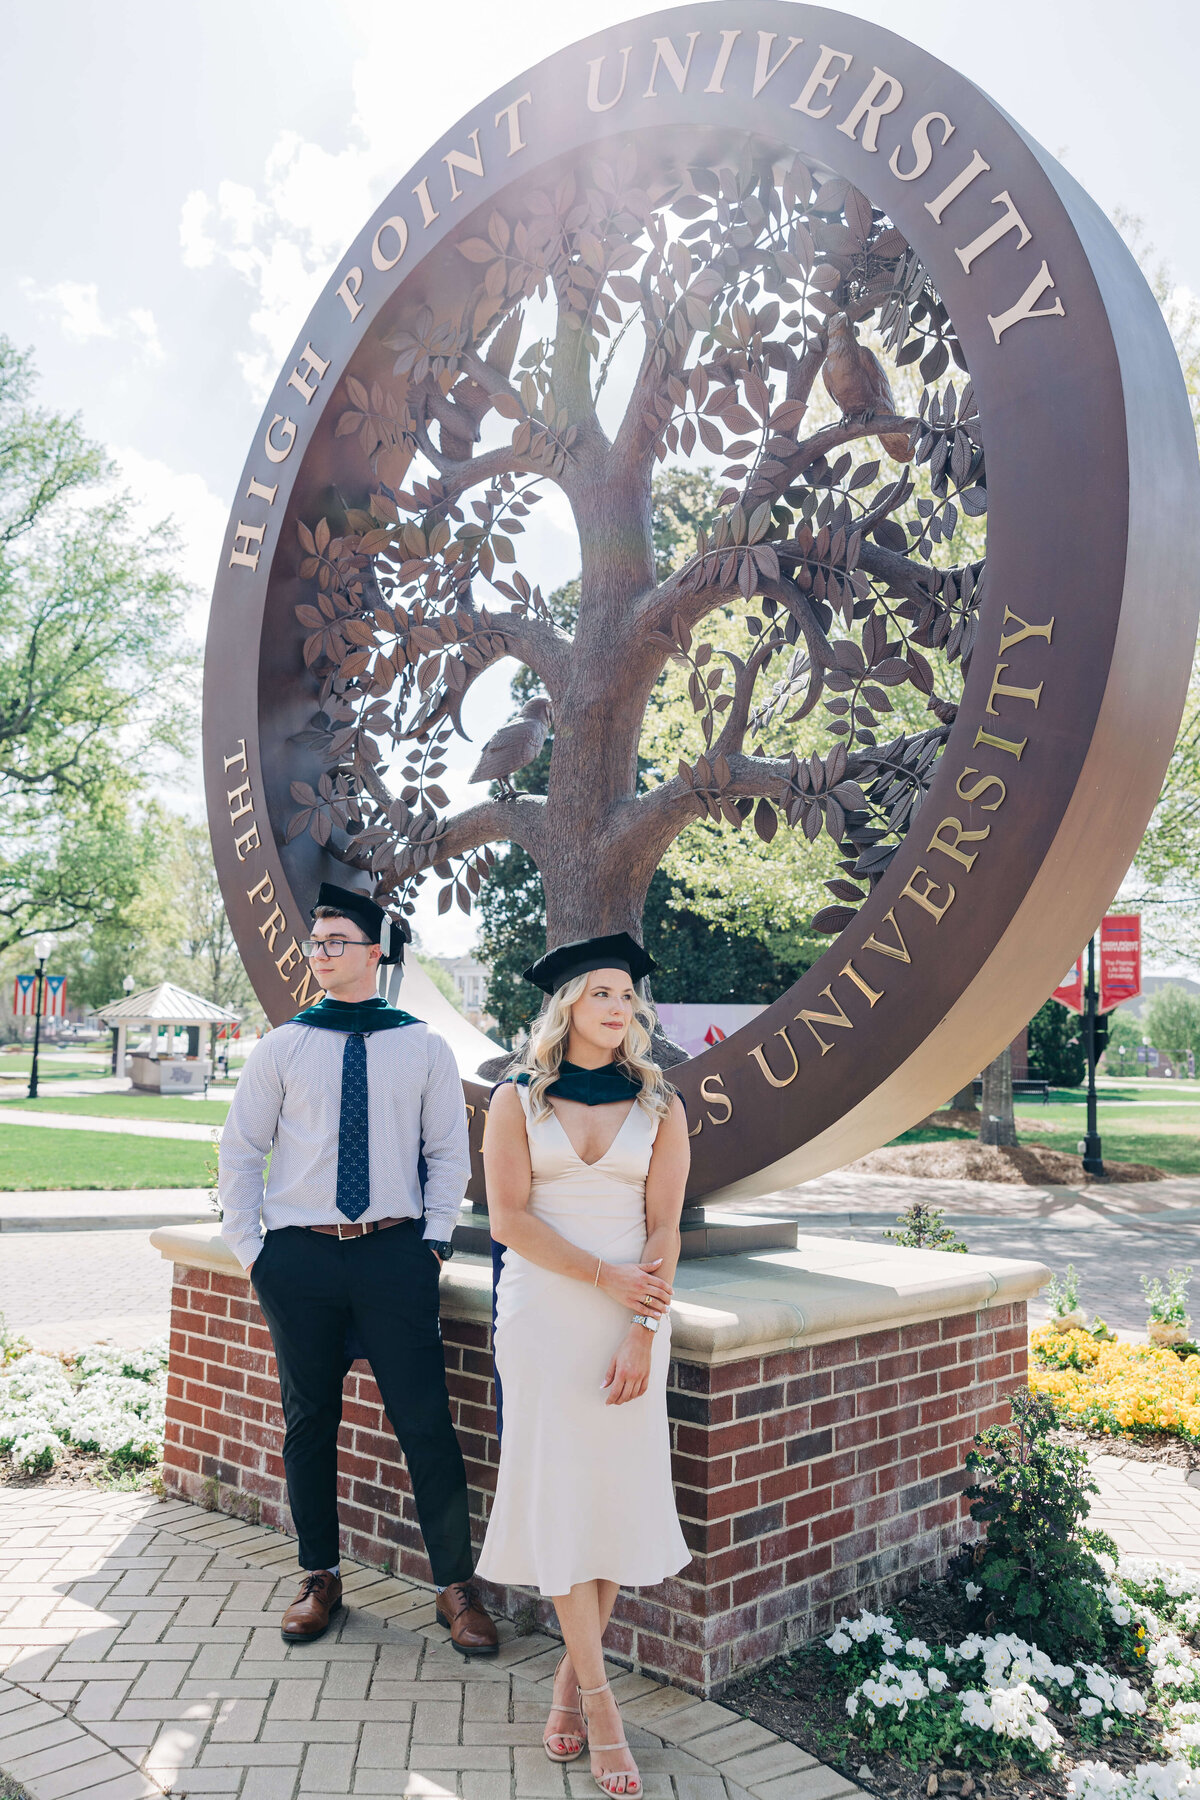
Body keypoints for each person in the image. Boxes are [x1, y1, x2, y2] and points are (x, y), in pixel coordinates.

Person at [218, 881, 497, 1656]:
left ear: (374, 953)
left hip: (393, 1257)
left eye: (336, 941)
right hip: (298, 1261)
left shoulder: (423, 1045)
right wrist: (256, 1255)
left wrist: (432, 1244)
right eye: (315, 943)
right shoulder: (281, 1045)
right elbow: (240, 1153)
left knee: (426, 1425)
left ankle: (455, 1587)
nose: (321, 954)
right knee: (308, 1423)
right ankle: (319, 1576)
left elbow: (449, 1155)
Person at [476, 932, 690, 1799]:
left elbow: (666, 1228)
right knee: (564, 1496)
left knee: (607, 1499)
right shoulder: (515, 1101)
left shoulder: (661, 1103)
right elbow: (508, 1221)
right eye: (601, 992)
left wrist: (641, 1326)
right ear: (567, 1005)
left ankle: (569, 1684)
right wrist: (603, 1278)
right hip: (545, 1316)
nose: (618, 1006)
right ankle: (604, 1710)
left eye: (626, 995)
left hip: (632, 1319)